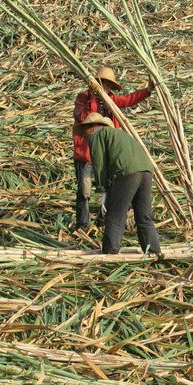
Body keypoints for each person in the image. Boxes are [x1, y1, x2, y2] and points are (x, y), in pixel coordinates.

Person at [73, 67, 153, 233]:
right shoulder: (84, 98)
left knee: (111, 187)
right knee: (84, 192)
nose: (107, 87)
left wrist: (148, 90)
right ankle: (82, 225)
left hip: (109, 153)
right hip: (86, 153)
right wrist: (93, 97)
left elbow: (128, 100)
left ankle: (103, 222)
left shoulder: (111, 99)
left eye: (109, 84)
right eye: (104, 83)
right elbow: (82, 118)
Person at [76, 112, 161, 256]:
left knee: (116, 214)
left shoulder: (97, 135)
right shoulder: (118, 135)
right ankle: (153, 251)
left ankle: (110, 252)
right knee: (144, 215)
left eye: (85, 133)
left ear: (92, 127)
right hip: (146, 171)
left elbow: (99, 163)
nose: (85, 137)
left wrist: (103, 189)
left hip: (127, 173)